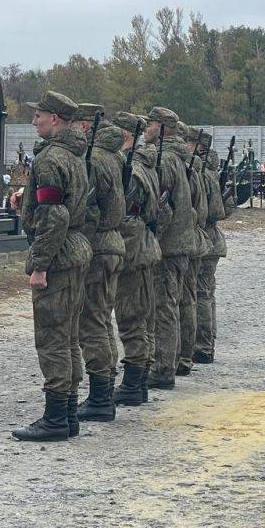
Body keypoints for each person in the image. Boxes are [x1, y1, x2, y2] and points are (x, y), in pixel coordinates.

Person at [11, 91, 92, 442]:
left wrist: (40, 265)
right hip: (75, 250)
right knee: (69, 336)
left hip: (58, 257)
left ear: (55, 119)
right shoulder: (74, 156)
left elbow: (55, 215)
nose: (34, 121)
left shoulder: (49, 159)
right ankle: (69, 414)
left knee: (52, 338)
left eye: (39, 115)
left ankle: (55, 419)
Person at [71, 104, 125, 422]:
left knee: (92, 323)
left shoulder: (93, 160)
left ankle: (100, 396)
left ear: (85, 125)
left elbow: (89, 209)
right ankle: (104, 391)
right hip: (113, 244)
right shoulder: (113, 157)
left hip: (98, 246)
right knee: (103, 321)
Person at [111, 112, 162, 406]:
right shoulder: (145, 166)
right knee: (141, 318)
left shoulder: (133, 169)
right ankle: (138, 382)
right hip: (144, 247)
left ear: (126, 136)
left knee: (131, 319)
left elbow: (126, 215)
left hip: (133, 251)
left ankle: (132, 383)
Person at [142, 108, 194, 390]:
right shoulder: (178, 157)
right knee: (170, 306)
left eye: (150, 124)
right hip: (179, 245)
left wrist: (151, 236)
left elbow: (161, 208)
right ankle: (169, 363)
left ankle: (163, 369)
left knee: (162, 308)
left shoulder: (165, 160)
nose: (146, 128)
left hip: (166, 247)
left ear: (162, 128)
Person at [177, 124, 211, 376]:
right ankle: (197, 349)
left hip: (191, 240)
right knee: (198, 295)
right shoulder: (197, 171)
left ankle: (192, 351)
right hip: (198, 239)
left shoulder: (196, 172)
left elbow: (216, 209)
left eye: (189, 142)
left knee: (191, 297)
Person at [194, 132, 228, 364]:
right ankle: (207, 342)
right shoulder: (214, 172)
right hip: (213, 239)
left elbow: (215, 211)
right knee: (207, 294)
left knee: (201, 295)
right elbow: (229, 207)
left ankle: (203, 347)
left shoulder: (204, 174)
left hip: (206, 239)